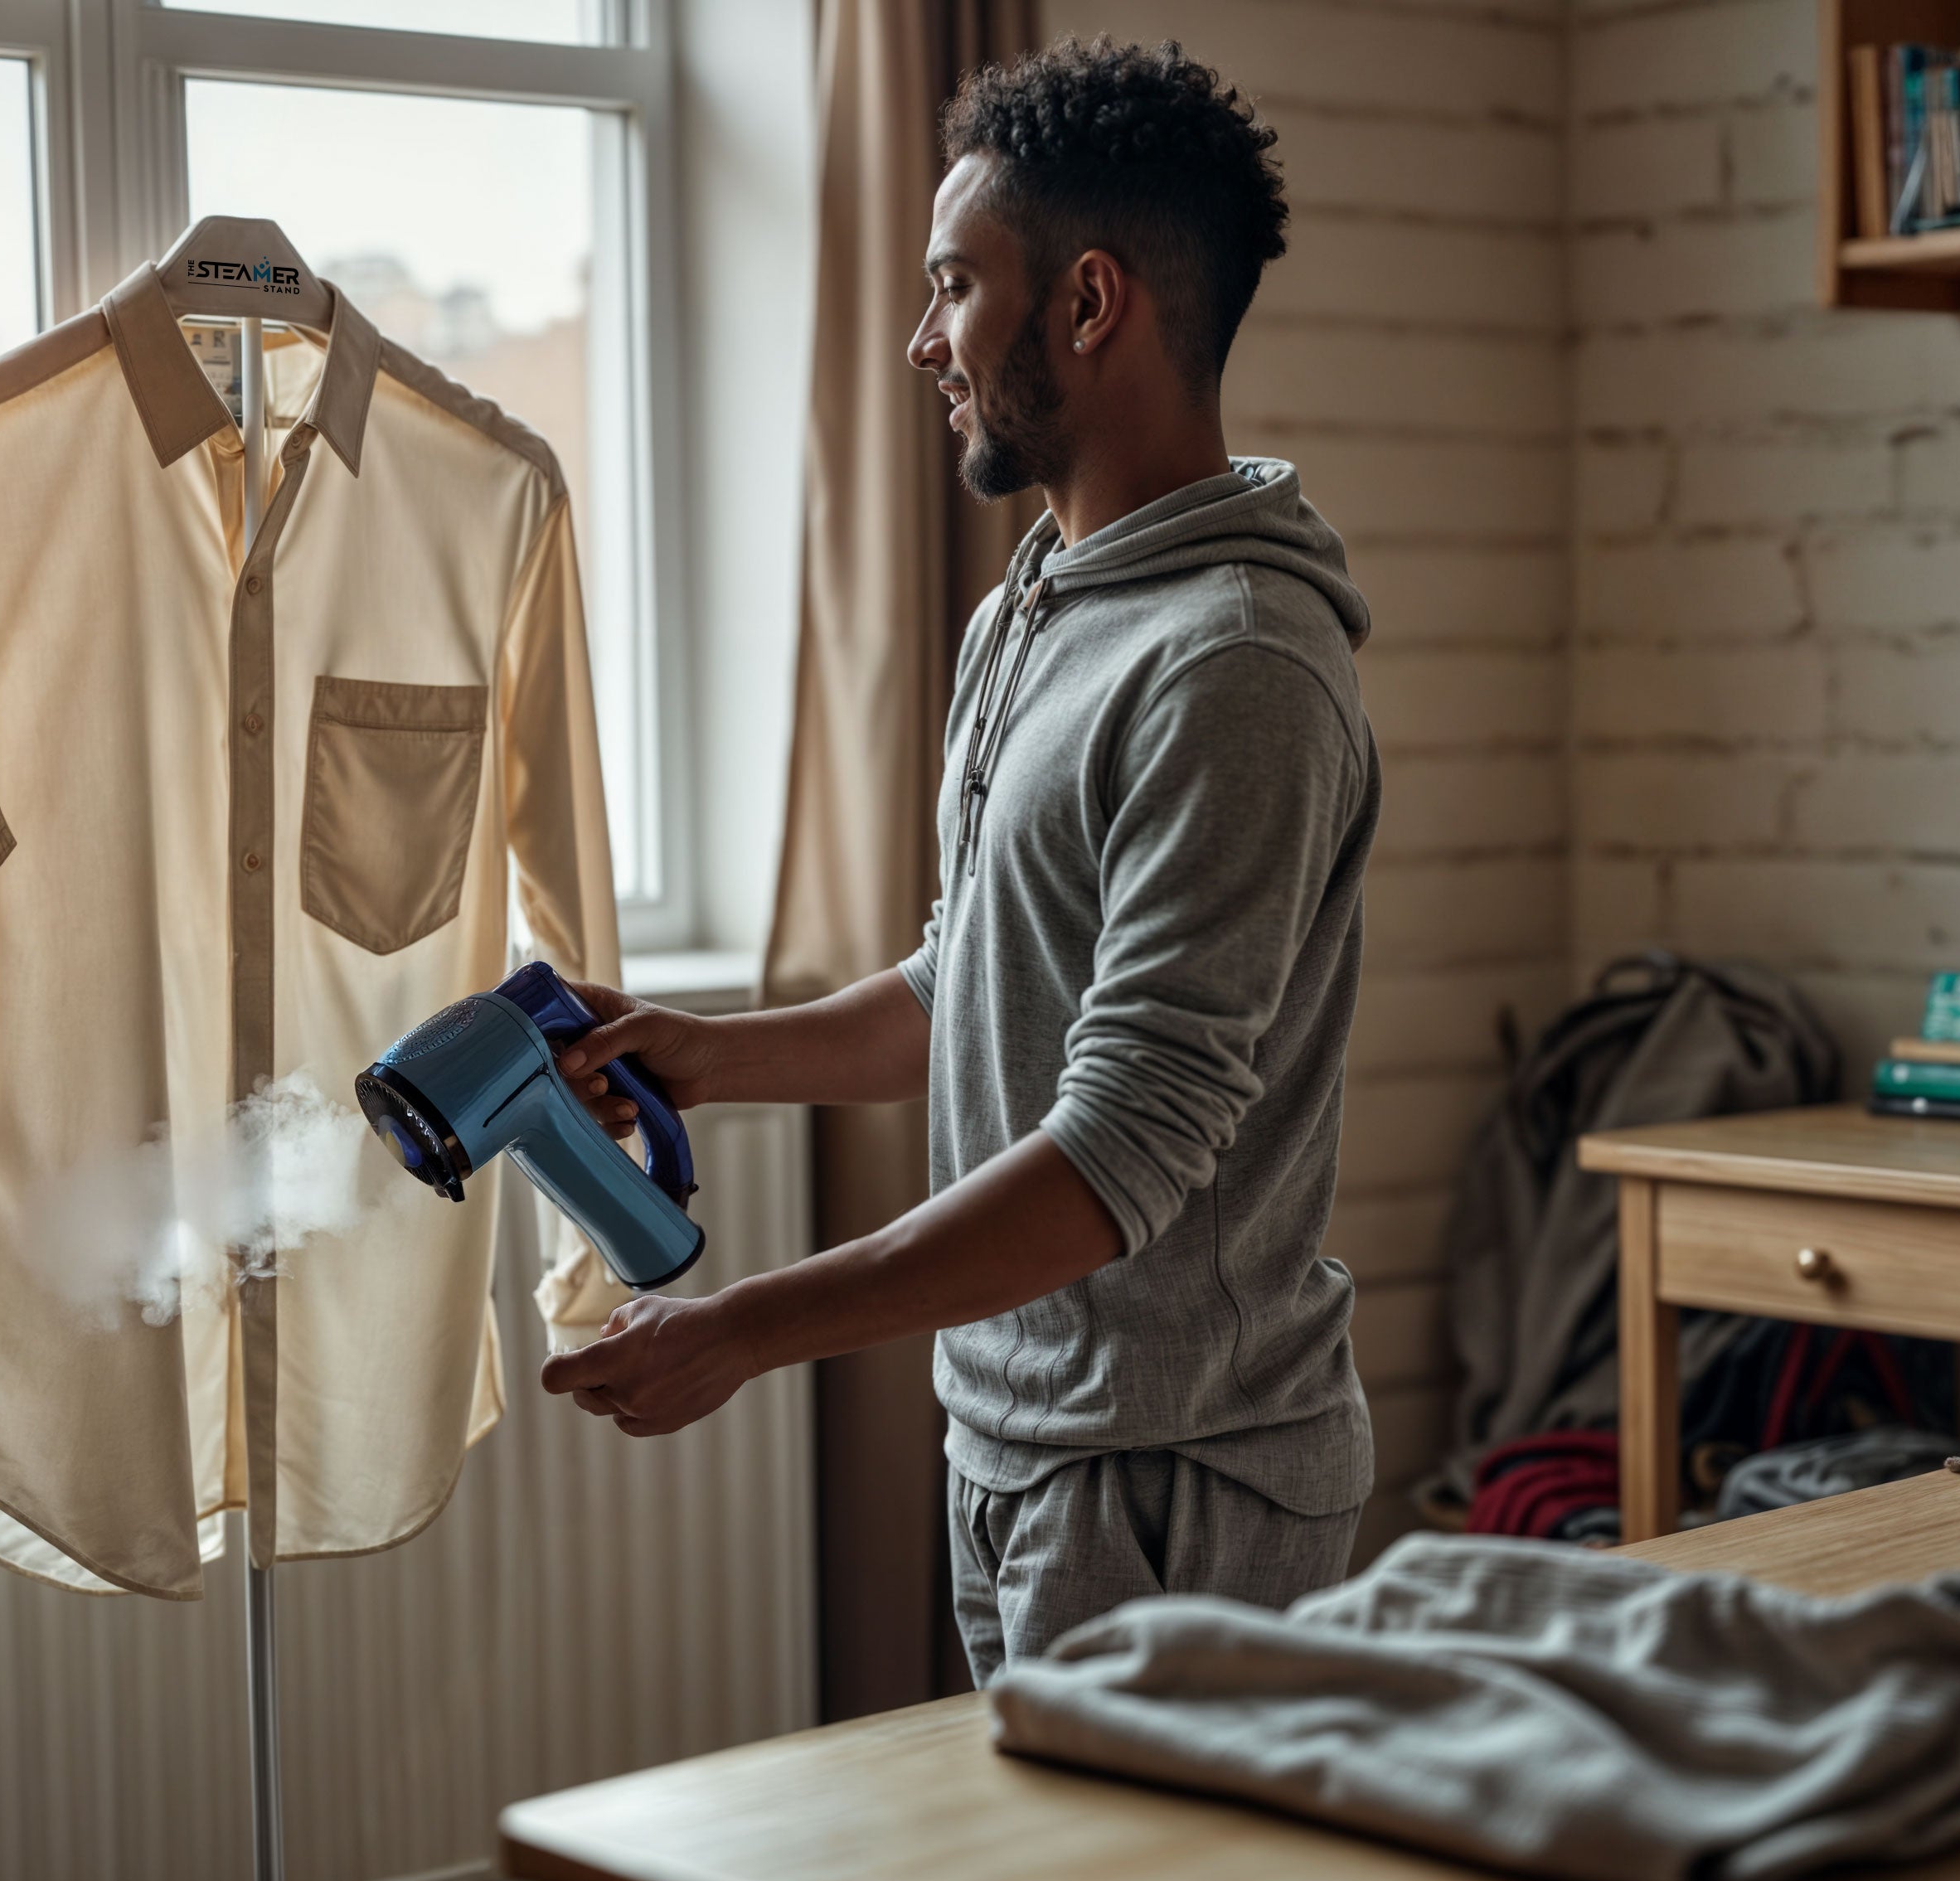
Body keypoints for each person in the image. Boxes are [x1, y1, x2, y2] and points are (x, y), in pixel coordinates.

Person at [536, 37, 1380, 1683]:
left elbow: (1122, 1148)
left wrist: (745, 1331)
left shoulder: (1234, 670)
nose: (921, 340)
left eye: (949, 289)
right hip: (1013, 1442)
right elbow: (969, 977)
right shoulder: (1025, 612)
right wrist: (692, 1055)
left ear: (1084, 304)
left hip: (1175, 1479)